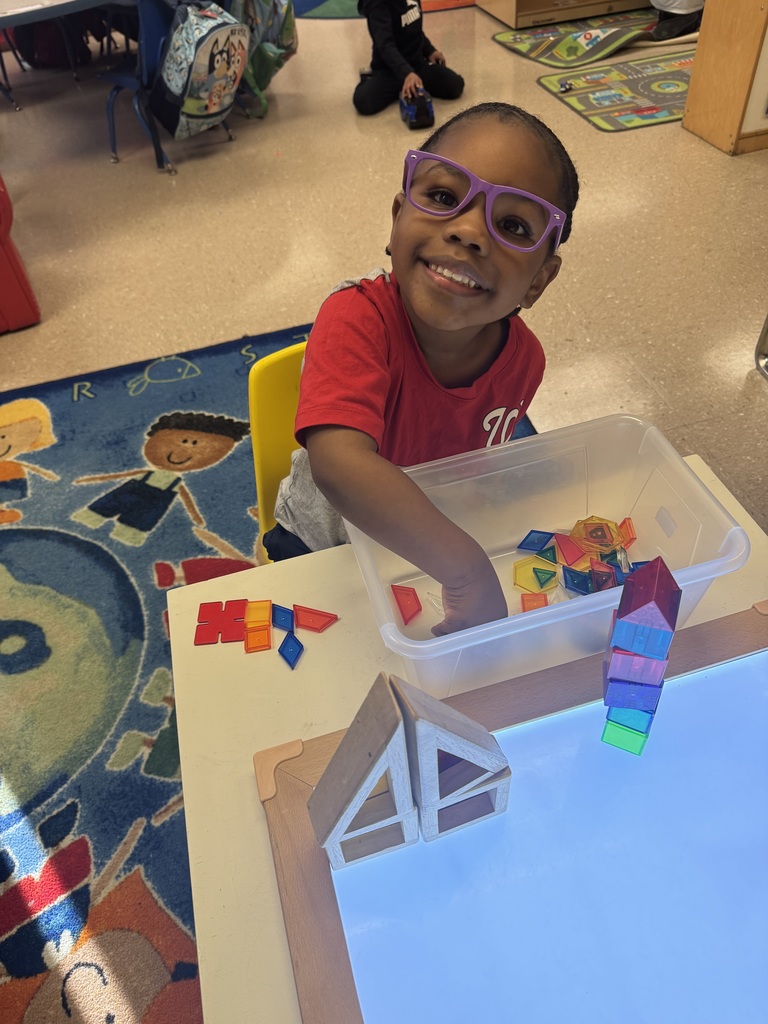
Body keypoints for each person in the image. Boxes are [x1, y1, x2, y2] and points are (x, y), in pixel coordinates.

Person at [264, 102, 580, 636]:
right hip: (323, 546)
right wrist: (465, 569)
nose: (468, 232)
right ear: (396, 220)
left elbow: (477, 461)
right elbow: (339, 464)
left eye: (511, 224)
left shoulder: (526, 360)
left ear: (538, 282)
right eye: (441, 196)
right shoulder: (354, 317)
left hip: (428, 550)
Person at [353, 0, 464, 117]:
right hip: (390, 70)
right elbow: (385, 45)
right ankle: (370, 79)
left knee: (455, 85)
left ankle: (410, 86)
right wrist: (406, 73)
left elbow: (415, 29)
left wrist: (430, 50)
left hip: (417, 66)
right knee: (363, 102)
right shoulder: (376, 4)